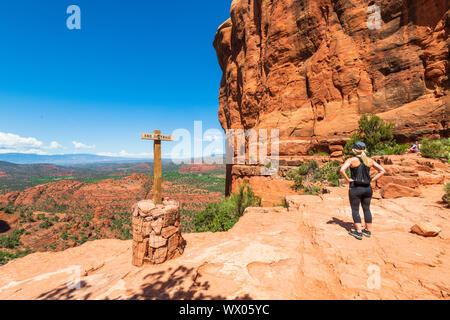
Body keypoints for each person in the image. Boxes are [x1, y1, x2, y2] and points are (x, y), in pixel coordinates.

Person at [340, 142, 386, 240]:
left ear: (354, 150)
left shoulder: (351, 160)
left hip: (355, 188)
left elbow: (342, 170)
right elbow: (382, 170)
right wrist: (372, 180)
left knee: (355, 209)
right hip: (367, 188)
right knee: (366, 209)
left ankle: (359, 232)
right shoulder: (369, 160)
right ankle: (367, 231)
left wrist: (348, 180)